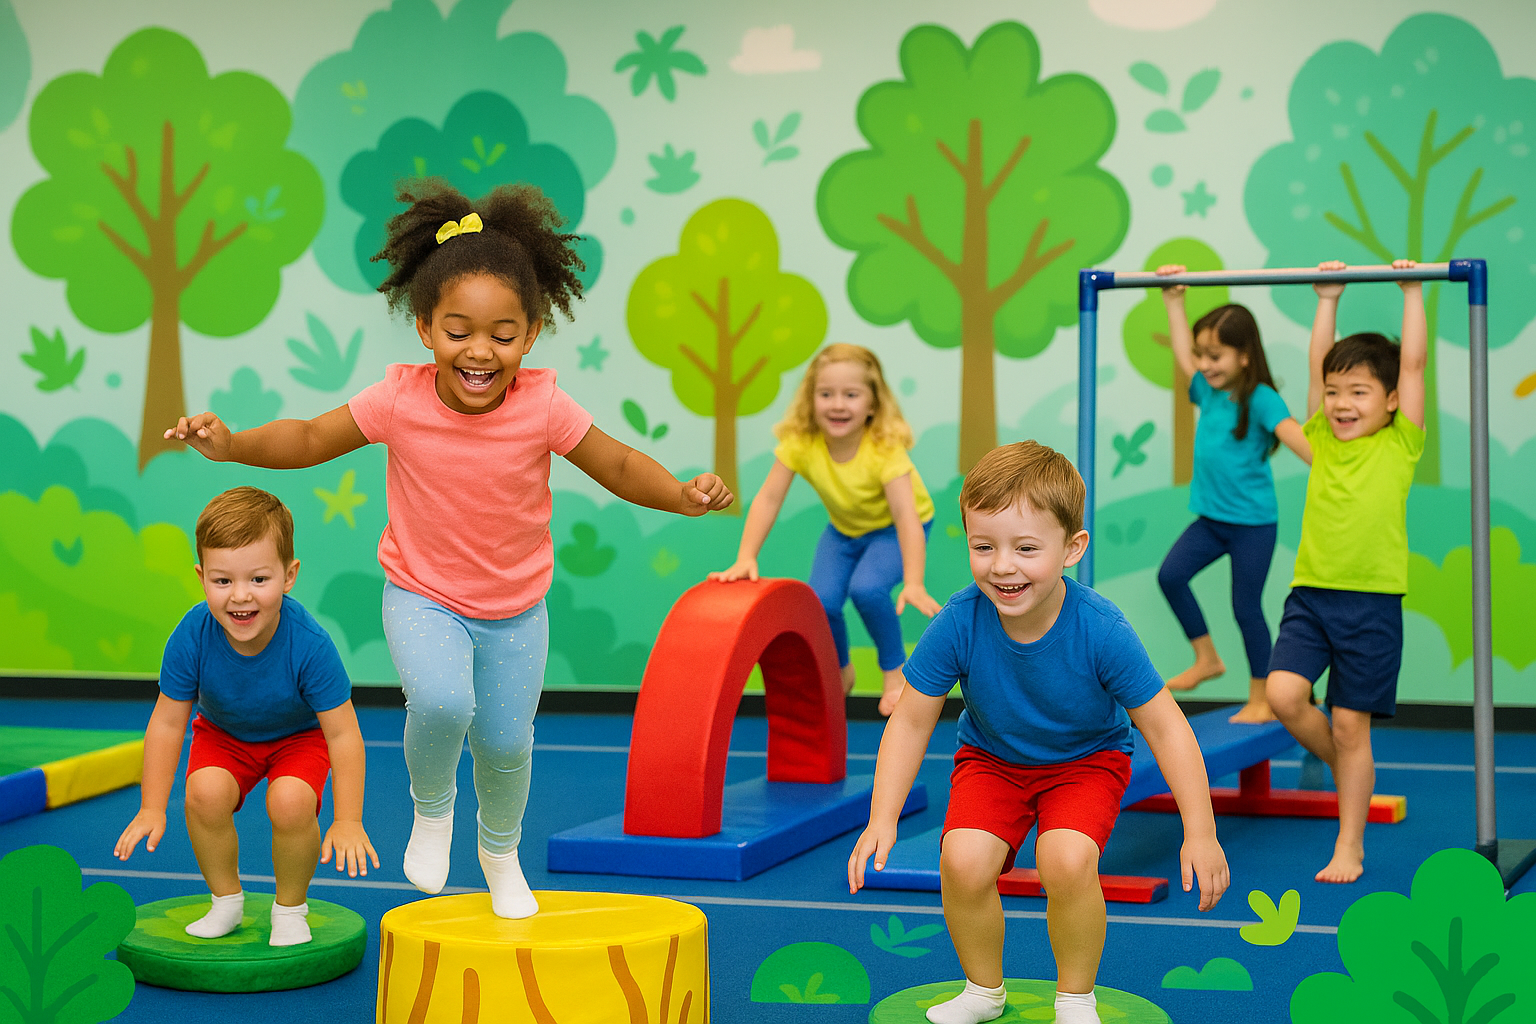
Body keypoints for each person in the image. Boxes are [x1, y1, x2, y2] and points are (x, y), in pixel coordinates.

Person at [163, 180, 733, 918]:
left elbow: (618, 463)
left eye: (503, 334)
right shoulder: (398, 398)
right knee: (440, 700)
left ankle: (499, 852)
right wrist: (233, 445)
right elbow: (309, 437)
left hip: (518, 609)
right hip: (423, 593)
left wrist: (681, 495)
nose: (480, 351)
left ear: (530, 336)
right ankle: (433, 811)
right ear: (426, 327)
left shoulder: (544, 405)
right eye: (458, 329)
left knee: (505, 743)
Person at [848, 442, 1229, 1024]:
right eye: (983, 546)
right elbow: (912, 720)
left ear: (1072, 549)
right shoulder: (958, 621)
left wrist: (1199, 830)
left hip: (1085, 763)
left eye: (1026, 548)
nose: (1002, 566)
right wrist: (882, 816)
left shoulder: (1102, 629)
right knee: (961, 858)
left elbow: (1167, 727)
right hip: (992, 761)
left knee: (1067, 859)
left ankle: (1076, 998)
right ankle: (983, 989)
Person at [114, 487, 377, 946]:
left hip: (298, 739)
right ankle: (227, 902)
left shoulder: (310, 646)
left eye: (259, 579)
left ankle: (291, 909)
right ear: (201, 577)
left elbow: (343, 735)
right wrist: (152, 806)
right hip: (224, 735)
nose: (241, 597)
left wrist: (348, 819)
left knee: (291, 801)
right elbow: (168, 723)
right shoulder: (191, 637)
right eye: (223, 581)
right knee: (204, 791)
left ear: (289, 575)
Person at [1265, 259, 1426, 884]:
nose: (1341, 403)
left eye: (1358, 393)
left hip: (1372, 604)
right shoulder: (1323, 440)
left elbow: (1411, 365)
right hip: (1311, 595)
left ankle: (1349, 844)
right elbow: (1317, 366)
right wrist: (1327, 297)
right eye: (1335, 393)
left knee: (1352, 723)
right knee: (1284, 693)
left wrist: (1411, 291)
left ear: (1389, 403)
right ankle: (1351, 767)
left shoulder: (1400, 443)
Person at [709, 343, 941, 716]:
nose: (837, 404)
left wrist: (913, 581)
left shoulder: (883, 448)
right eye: (826, 394)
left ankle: (895, 671)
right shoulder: (801, 443)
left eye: (851, 395)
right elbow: (769, 498)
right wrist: (746, 556)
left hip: (894, 529)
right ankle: (841, 669)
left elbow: (906, 517)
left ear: (872, 404)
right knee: (821, 599)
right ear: (810, 399)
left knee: (866, 588)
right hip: (845, 530)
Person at [1154, 267, 1312, 723]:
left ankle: (1262, 698)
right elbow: (1184, 357)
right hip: (1211, 519)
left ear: (1244, 356)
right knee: (1171, 576)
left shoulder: (1261, 398)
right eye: (1203, 355)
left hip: (1252, 525)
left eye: (1216, 356)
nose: (1205, 364)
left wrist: (1333, 466)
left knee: (1246, 607)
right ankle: (1207, 658)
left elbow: (1297, 440)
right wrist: (1173, 301)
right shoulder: (1206, 388)